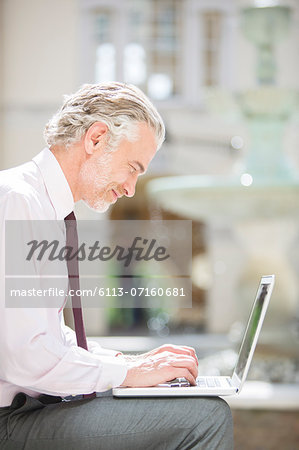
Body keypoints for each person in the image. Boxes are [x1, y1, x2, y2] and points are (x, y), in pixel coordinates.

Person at [0, 82, 233, 449]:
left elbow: (52, 340)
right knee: (205, 417)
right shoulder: (19, 201)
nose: (130, 188)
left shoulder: (44, 206)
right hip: (9, 421)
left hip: (29, 408)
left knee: (187, 403)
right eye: (132, 167)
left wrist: (131, 362)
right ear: (95, 138)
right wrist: (130, 373)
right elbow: (24, 357)